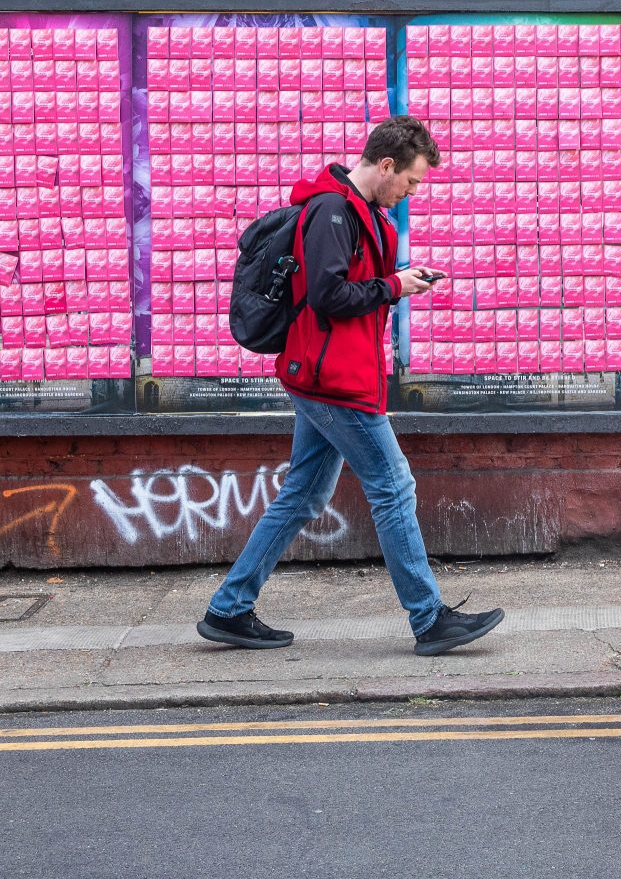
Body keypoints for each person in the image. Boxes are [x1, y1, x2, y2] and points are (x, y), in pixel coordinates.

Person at [197, 116, 504, 656]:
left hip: (327, 374)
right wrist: (394, 286)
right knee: (393, 486)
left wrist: (396, 280)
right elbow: (327, 296)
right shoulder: (334, 211)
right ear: (385, 166)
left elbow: (346, 285)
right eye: (410, 181)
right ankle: (429, 619)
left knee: (303, 494)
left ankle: (229, 609)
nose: (411, 193)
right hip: (333, 381)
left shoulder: (356, 210)